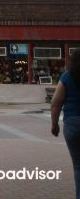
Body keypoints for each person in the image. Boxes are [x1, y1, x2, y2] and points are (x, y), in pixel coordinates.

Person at [51, 49, 80, 198]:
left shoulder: (67, 77)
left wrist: (54, 125)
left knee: (78, 166)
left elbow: (56, 103)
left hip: (73, 124)